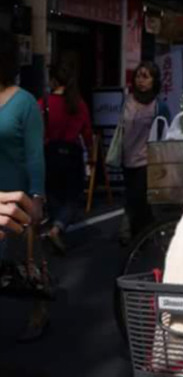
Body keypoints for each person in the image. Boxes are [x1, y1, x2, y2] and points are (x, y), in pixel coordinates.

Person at [0, 29, 47, 341]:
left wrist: (37, 196)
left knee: (28, 264)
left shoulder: (25, 102)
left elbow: (34, 155)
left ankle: (39, 307)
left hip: (17, 197)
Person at [38, 63, 93, 254]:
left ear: (53, 80)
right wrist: (91, 155)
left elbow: (36, 131)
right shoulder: (78, 103)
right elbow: (87, 132)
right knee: (73, 196)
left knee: (53, 194)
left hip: (50, 152)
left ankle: (55, 225)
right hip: (72, 154)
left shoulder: (44, 103)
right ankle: (57, 228)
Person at [119, 61, 171, 242]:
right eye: (139, 75)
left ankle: (136, 234)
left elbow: (165, 132)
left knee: (139, 197)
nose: (141, 80)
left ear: (154, 81)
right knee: (132, 196)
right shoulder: (127, 101)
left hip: (147, 160)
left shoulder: (159, 106)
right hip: (127, 158)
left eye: (146, 76)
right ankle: (144, 231)